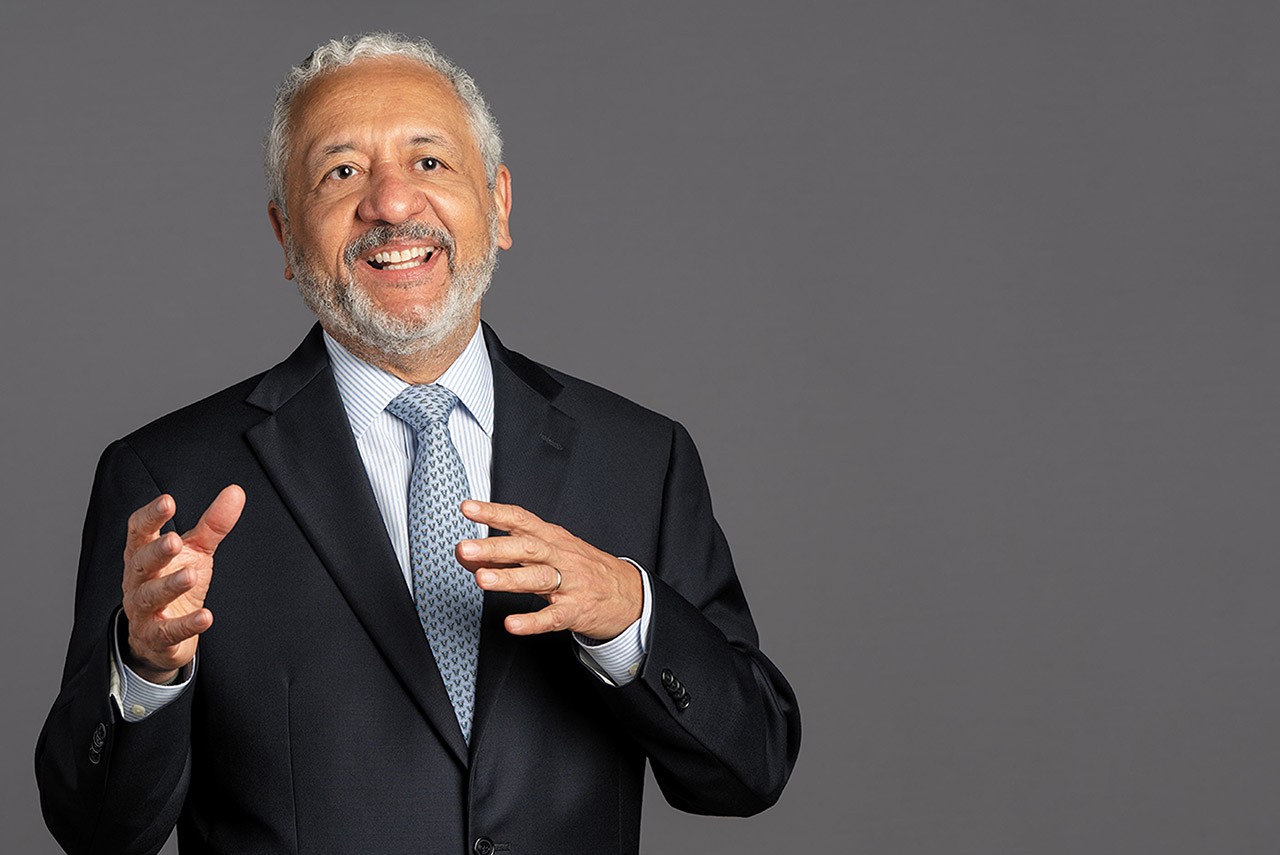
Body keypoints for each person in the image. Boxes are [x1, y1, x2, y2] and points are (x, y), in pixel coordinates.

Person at [36, 32, 800, 855]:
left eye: (430, 162)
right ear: (287, 236)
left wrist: (630, 616)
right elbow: (97, 832)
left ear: (500, 204)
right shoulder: (169, 480)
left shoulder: (642, 458)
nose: (392, 204)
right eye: (342, 172)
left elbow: (749, 769)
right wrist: (145, 668)